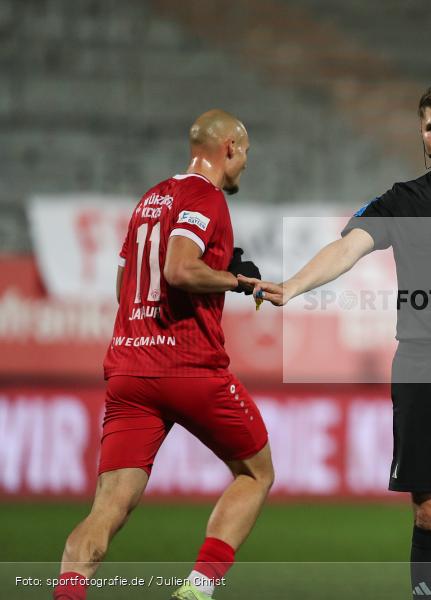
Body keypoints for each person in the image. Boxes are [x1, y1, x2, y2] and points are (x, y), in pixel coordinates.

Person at [244, 83, 431, 600]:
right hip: (422, 370)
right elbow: (348, 249)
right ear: (421, 135)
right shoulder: (402, 201)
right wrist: (293, 285)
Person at [52, 110, 274, 600]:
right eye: (245, 155)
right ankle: (197, 589)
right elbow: (178, 269)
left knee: (107, 508)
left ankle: (68, 592)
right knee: (257, 473)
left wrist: (218, 264)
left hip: (130, 369)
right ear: (230, 148)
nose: (244, 166)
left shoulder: (150, 199)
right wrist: (237, 281)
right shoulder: (207, 197)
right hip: (190, 367)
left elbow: (122, 284)